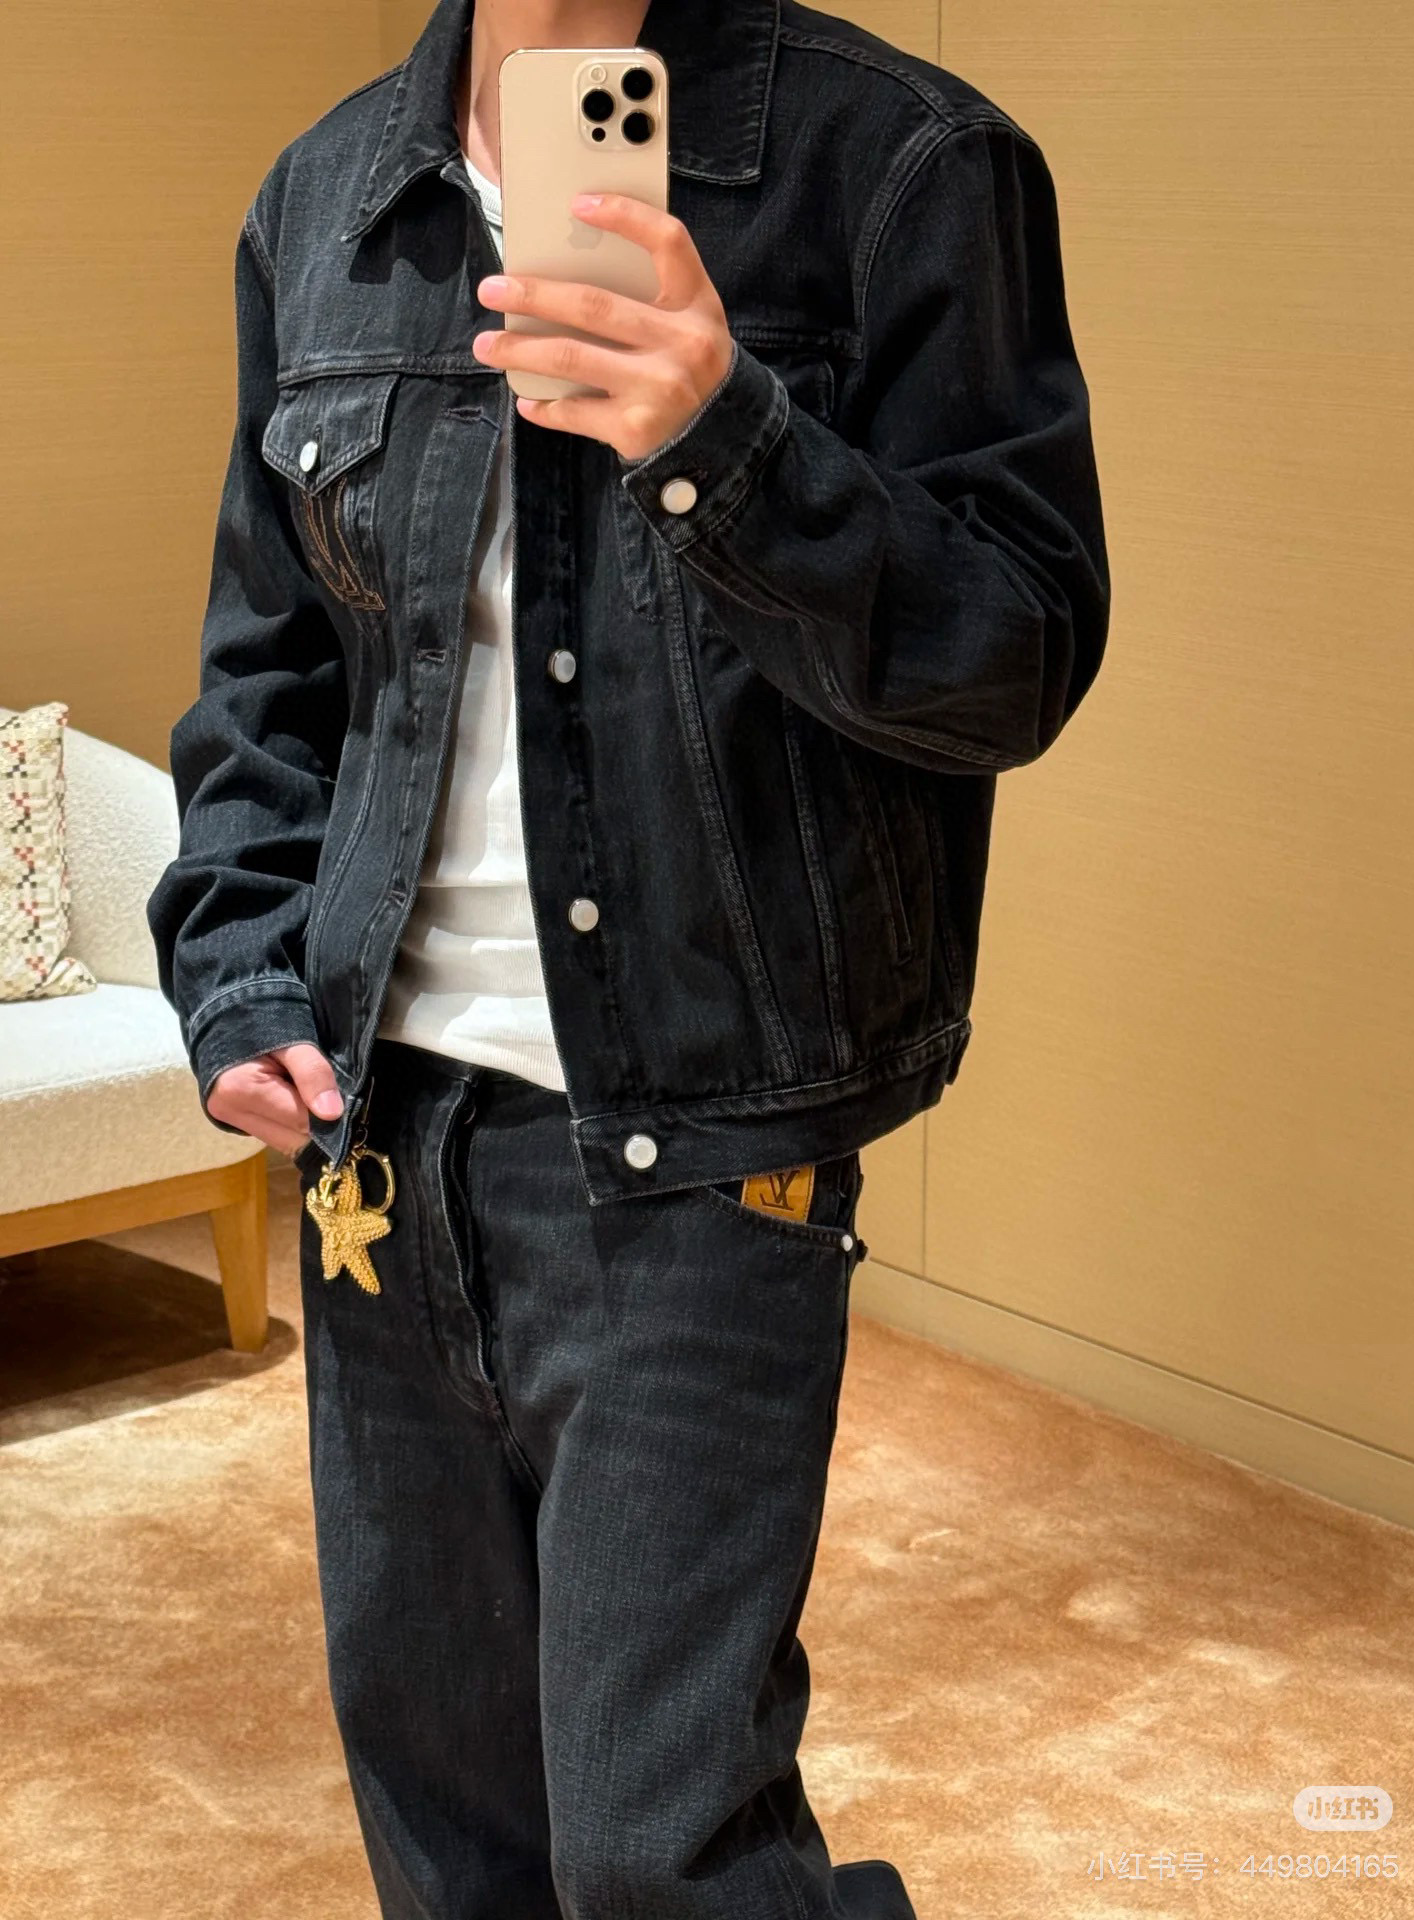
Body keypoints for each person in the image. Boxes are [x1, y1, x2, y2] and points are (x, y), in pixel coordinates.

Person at [146, 0, 1109, 1911]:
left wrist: (727, 440)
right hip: (373, 1144)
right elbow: (274, 661)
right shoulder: (326, 199)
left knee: (661, 1852)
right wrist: (239, 962)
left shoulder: (902, 164)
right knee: (449, 1824)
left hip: (704, 1144)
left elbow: (1011, 657)